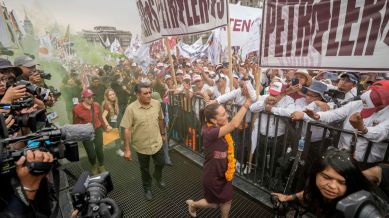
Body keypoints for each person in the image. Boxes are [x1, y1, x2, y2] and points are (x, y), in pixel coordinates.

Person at [185, 88, 252, 218]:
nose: (226, 115)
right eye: (222, 114)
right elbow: (233, 125)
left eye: (225, 112)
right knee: (214, 204)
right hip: (213, 176)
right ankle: (193, 204)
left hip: (224, 173)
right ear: (214, 121)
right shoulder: (209, 132)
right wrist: (246, 103)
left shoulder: (218, 124)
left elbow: (233, 124)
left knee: (227, 200)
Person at [272, 148, 385, 217]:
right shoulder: (317, 189)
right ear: (316, 174)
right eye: (326, 177)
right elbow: (310, 193)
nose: (332, 186)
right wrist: (287, 198)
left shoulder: (361, 208)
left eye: (342, 182)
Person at [120, 82, 166, 201]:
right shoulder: (131, 109)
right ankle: (147, 188)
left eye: (150, 92)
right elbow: (126, 130)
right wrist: (127, 149)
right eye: (145, 93)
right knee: (144, 170)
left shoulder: (156, 104)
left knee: (161, 163)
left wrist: (162, 133)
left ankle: (157, 176)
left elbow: (161, 119)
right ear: (137, 95)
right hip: (142, 146)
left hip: (157, 142)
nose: (149, 95)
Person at [73, 89, 106, 174]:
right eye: (89, 97)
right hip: (86, 132)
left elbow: (100, 118)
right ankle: (94, 166)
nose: (92, 99)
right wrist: (78, 134)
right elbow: (75, 123)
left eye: (92, 97)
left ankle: (101, 165)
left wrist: (105, 128)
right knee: (91, 152)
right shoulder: (77, 108)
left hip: (97, 129)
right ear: (83, 98)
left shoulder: (96, 105)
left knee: (99, 149)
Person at [101, 88, 123, 156]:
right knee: (116, 134)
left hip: (114, 119)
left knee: (115, 134)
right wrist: (107, 125)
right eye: (110, 95)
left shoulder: (115, 101)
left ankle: (109, 148)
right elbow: (103, 116)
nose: (112, 96)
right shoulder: (107, 105)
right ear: (107, 97)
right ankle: (118, 149)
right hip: (110, 121)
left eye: (113, 94)